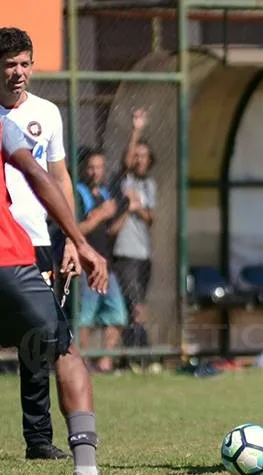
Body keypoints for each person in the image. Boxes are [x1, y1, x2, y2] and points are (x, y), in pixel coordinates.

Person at [0, 113, 107, 474]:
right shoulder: (2, 126)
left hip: (23, 254)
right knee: (64, 348)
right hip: (9, 260)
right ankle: (87, 468)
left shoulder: (41, 113)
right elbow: (37, 174)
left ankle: (40, 440)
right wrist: (79, 241)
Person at [0, 26, 79, 460]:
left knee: (39, 342)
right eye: (9, 64)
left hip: (35, 242)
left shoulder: (47, 113)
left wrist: (70, 238)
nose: (18, 72)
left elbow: (60, 177)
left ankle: (38, 441)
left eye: (24, 63)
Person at [110, 109, 156, 355]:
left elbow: (151, 217)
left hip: (143, 253)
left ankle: (137, 352)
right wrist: (136, 131)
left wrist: (138, 208)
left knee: (139, 305)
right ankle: (137, 353)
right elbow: (125, 163)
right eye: (137, 155)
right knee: (133, 305)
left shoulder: (149, 185)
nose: (139, 160)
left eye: (144, 156)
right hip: (125, 252)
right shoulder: (124, 180)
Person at [76, 148, 127, 372]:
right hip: (85, 265)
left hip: (106, 265)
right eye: (91, 167)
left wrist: (126, 211)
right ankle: (82, 362)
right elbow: (75, 229)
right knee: (84, 318)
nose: (95, 172)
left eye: (99, 167)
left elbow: (111, 231)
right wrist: (100, 215)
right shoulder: (78, 193)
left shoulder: (105, 194)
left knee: (117, 315)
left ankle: (105, 361)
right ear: (83, 169)